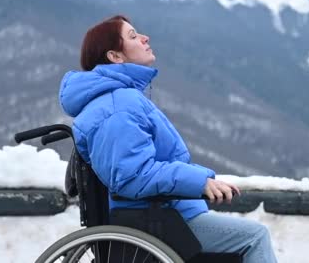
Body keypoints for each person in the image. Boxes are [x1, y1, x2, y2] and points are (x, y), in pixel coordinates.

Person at [59, 15, 277, 262]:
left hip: (164, 214)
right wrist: (199, 182)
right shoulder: (117, 106)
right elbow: (132, 176)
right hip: (153, 221)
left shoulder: (118, 100)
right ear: (115, 57)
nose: (145, 38)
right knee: (255, 237)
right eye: (133, 36)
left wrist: (202, 181)